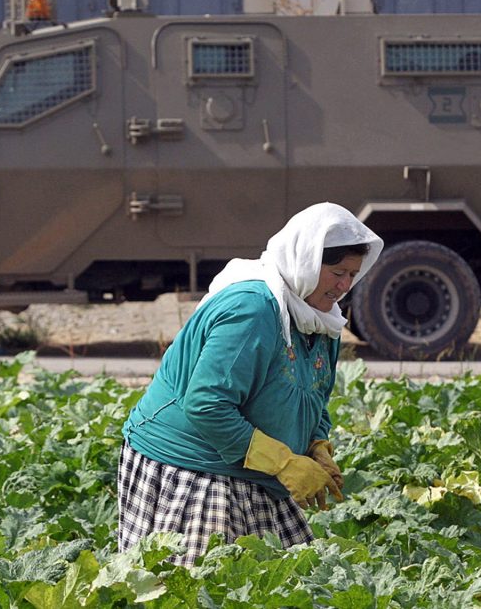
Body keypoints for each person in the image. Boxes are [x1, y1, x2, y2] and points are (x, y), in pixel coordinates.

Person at [117, 202, 384, 566]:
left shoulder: (322, 320)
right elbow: (206, 405)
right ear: (305, 262)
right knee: (198, 587)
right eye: (337, 272)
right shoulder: (253, 309)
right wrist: (285, 464)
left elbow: (314, 396)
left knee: (280, 583)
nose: (344, 285)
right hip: (194, 467)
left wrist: (316, 446)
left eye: (353, 274)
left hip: (257, 468)